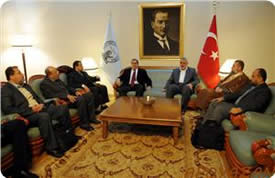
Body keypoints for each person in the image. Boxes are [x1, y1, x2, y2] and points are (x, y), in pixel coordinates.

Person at [1, 66, 69, 158]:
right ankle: (52, 148)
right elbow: (8, 109)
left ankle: (68, 138)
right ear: (11, 76)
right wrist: (31, 110)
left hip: (40, 108)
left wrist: (42, 105)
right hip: (27, 115)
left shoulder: (26, 86)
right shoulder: (5, 90)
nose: (22, 74)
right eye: (19, 73)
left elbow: (38, 98)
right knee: (44, 116)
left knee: (62, 108)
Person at [201, 68, 272, 125]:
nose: (251, 77)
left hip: (242, 110)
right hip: (234, 104)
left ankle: (210, 129)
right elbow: (238, 93)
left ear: (260, 78)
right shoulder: (250, 85)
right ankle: (203, 125)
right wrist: (223, 98)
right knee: (214, 102)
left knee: (220, 108)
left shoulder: (265, 91)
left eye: (253, 76)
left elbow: (257, 105)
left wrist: (241, 109)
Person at [40, 66, 100, 132]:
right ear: (50, 75)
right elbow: (49, 95)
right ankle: (84, 124)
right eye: (56, 72)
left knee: (89, 95)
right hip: (62, 101)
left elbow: (67, 87)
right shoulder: (44, 83)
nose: (58, 72)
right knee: (80, 99)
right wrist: (66, 96)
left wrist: (75, 91)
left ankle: (92, 118)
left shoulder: (58, 80)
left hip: (70, 97)